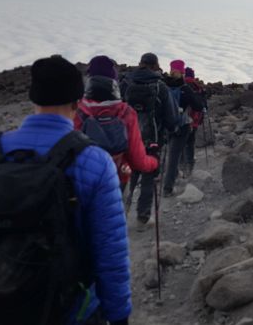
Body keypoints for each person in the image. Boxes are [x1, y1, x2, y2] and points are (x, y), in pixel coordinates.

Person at [0, 56, 130, 325]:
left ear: (33, 98)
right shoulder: (94, 160)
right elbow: (110, 253)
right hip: (71, 310)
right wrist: (119, 315)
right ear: (78, 102)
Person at [74, 55, 158, 194]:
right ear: (114, 81)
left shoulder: (76, 110)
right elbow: (138, 161)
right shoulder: (126, 113)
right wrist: (154, 161)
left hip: (81, 182)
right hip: (116, 178)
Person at [120, 52, 179, 231]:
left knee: (126, 175)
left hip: (127, 140)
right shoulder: (160, 87)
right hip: (151, 141)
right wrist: (172, 128)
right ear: (156, 65)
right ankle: (142, 217)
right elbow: (170, 117)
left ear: (140, 63)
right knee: (148, 178)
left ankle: (120, 213)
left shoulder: (125, 83)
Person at [162, 59, 204, 196]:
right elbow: (198, 106)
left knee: (172, 153)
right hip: (183, 125)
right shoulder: (185, 88)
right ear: (182, 71)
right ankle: (168, 188)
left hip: (168, 125)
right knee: (175, 155)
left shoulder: (164, 86)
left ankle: (175, 177)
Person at [181, 67, 208, 175]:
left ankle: (181, 166)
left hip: (182, 120)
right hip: (195, 119)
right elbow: (204, 105)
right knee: (190, 142)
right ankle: (190, 165)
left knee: (181, 143)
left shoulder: (181, 86)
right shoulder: (198, 87)